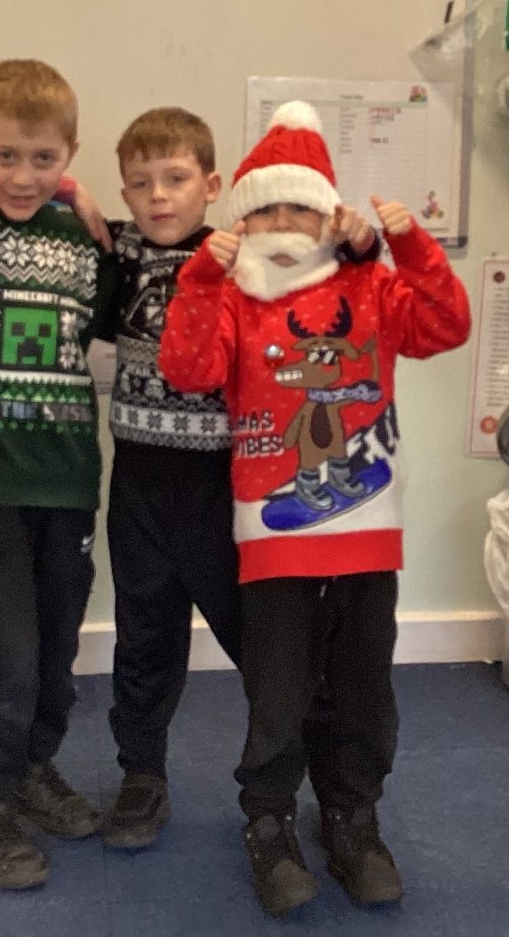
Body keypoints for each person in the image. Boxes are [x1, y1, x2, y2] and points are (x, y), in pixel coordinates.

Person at [162, 101, 470, 917]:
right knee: (279, 693)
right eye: (264, 210)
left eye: (298, 208)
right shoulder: (233, 295)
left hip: (367, 531)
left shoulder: (371, 285)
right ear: (241, 219)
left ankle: (351, 817)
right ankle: (268, 822)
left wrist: (408, 245)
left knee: (364, 692)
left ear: (328, 215)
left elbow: (447, 326)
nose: (281, 225)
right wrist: (199, 278)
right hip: (274, 533)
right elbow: (189, 370)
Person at [97, 107, 376, 850]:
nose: (159, 196)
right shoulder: (118, 253)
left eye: (176, 179)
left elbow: (328, 288)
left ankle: (321, 780)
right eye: (140, 183)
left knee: (267, 647)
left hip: (223, 486)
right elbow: (66, 232)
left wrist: (362, 241)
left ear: (213, 186)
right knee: (143, 637)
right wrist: (69, 194)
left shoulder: (247, 254)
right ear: (124, 195)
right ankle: (141, 774)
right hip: (139, 483)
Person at [0, 60, 120, 889]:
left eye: (44, 159)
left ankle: (32, 767)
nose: (23, 176)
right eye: (4, 156)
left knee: (54, 645)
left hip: (67, 479)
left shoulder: (86, 238)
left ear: (69, 155)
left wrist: (80, 202)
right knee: (2, 651)